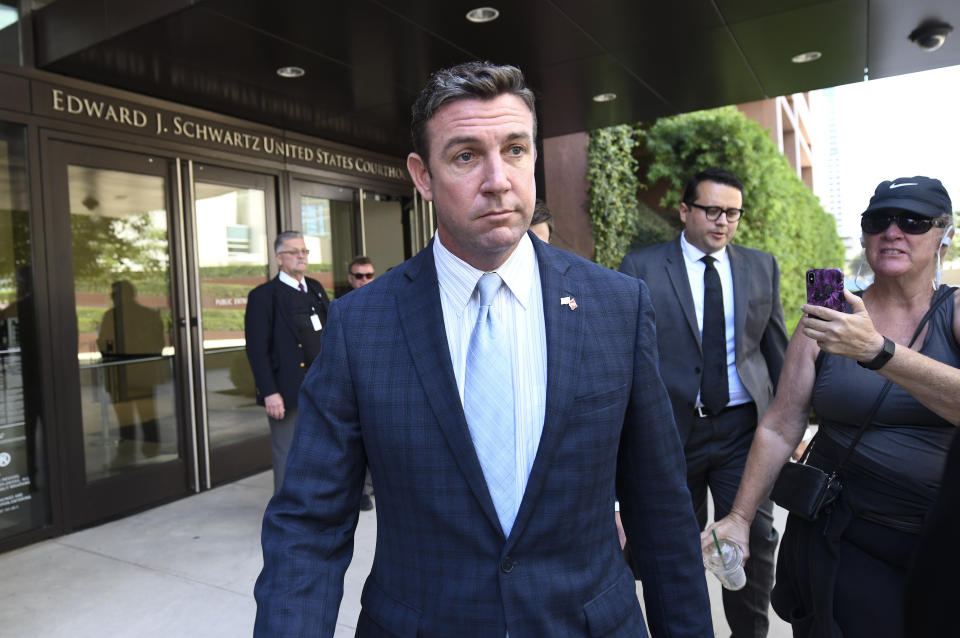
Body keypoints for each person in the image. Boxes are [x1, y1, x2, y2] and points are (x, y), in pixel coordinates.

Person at [254, 61, 712, 637]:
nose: (498, 178)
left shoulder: (617, 307)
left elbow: (662, 512)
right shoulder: (361, 324)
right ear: (422, 176)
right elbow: (309, 526)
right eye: (466, 155)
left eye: (516, 149)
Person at [707, 176, 959, 638]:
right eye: (879, 220)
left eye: (914, 221)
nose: (893, 231)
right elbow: (782, 424)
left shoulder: (956, 311)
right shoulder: (826, 318)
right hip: (842, 536)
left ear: (946, 234)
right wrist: (739, 518)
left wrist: (878, 351)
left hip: (938, 539)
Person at [619, 167, 787, 637]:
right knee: (670, 547)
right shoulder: (641, 268)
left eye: (732, 213)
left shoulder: (761, 266)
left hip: (741, 431)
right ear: (684, 211)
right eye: (712, 210)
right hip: (671, 431)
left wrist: (789, 425)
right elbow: (625, 359)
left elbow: (777, 350)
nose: (723, 222)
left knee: (752, 536)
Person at [244, 230, 330, 493]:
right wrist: (270, 392)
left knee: (322, 450)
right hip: (287, 389)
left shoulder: (314, 288)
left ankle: (317, 504)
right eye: (294, 252)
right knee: (287, 453)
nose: (301, 257)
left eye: (304, 251)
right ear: (279, 258)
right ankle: (287, 515)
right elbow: (257, 350)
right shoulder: (264, 296)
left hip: (322, 388)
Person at [97, 280, 167, 461]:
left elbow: (105, 345)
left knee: (126, 419)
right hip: (141, 373)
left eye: (115, 294)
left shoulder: (111, 316)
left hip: (121, 375)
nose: (112, 298)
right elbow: (158, 344)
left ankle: (127, 453)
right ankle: (150, 451)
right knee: (147, 416)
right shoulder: (148, 315)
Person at [346, 255, 377, 511]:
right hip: (353, 384)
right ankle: (358, 491)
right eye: (359, 276)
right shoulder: (342, 307)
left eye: (368, 275)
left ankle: (370, 486)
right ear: (350, 278)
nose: (364, 280)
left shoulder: (385, 301)